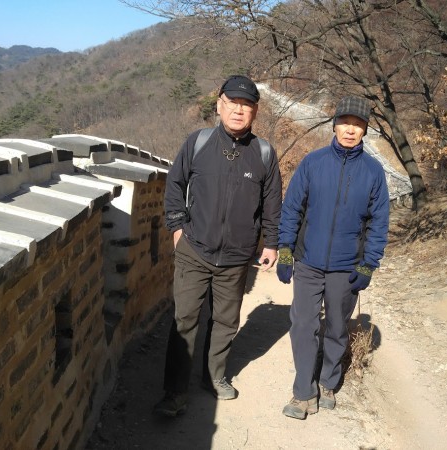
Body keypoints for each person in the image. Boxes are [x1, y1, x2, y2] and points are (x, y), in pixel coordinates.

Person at [155, 75, 282, 417]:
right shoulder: (198, 142)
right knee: (184, 320)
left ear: (255, 112)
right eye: (232, 103)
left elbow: (272, 202)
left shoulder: (263, 153)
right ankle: (175, 391)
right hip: (194, 248)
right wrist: (177, 228)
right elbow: (175, 184)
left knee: (226, 321)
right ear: (219, 105)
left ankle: (213, 377)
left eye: (246, 105)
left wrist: (271, 243)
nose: (238, 110)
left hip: (237, 256)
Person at [276, 95, 389, 419]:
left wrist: (368, 264)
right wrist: (286, 251)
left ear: (365, 130)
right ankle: (303, 392)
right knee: (303, 325)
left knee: (337, 327)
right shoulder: (313, 163)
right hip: (308, 262)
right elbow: (292, 208)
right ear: (335, 125)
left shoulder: (373, 172)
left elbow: (379, 222)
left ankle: (328, 382)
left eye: (358, 125)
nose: (350, 130)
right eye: (345, 123)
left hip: (346, 266)